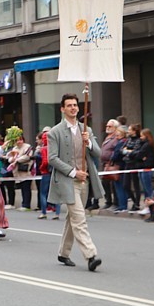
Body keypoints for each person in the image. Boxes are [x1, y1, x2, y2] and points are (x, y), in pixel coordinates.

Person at [47, 93, 103, 272]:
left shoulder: (86, 129)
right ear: (62, 109)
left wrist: (90, 143)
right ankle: (91, 255)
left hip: (84, 181)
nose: (73, 108)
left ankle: (63, 253)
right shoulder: (55, 132)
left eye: (75, 105)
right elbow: (52, 158)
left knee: (73, 218)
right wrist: (73, 172)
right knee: (79, 218)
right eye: (69, 105)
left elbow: (99, 153)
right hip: (67, 181)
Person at [8, 133, 34, 211]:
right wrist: (11, 160)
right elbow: (9, 157)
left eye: (20, 140)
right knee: (22, 187)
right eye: (17, 140)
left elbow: (27, 157)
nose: (19, 142)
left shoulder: (28, 147)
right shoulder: (14, 148)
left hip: (25, 170)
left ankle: (26, 204)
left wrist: (17, 160)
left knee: (26, 187)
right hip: (17, 171)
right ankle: (24, 204)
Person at [121, 123, 143, 211]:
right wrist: (128, 151)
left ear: (134, 131)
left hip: (134, 164)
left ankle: (137, 203)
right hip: (127, 163)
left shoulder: (138, 140)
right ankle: (133, 200)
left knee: (136, 184)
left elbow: (136, 152)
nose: (128, 131)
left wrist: (128, 151)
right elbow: (121, 149)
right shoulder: (128, 139)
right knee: (126, 185)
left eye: (129, 130)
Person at [99, 119, 120, 210]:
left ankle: (116, 202)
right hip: (105, 164)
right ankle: (108, 201)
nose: (107, 128)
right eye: (107, 126)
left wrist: (111, 159)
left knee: (113, 183)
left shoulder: (116, 138)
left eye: (110, 126)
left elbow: (116, 150)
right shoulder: (107, 137)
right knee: (105, 183)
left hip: (111, 164)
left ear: (115, 128)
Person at [110, 126, 130, 214]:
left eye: (117, 132)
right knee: (121, 186)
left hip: (119, 166)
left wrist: (112, 158)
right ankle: (122, 205)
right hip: (123, 166)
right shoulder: (125, 141)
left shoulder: (120, 142)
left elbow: (116, 154)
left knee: (119, 187)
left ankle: (122, 205)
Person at [137, 128, 154, 202]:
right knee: (146, 187)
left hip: (146, 167)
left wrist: (141, 157)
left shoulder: (147, 145)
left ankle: (151, 202)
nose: (140, 138)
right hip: (145, 166)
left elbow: (139, 155)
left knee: (147, 188)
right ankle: (148, 202)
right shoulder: (147, 144)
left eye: (142, 136)